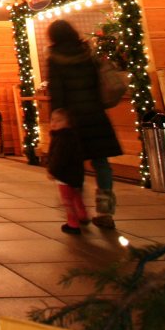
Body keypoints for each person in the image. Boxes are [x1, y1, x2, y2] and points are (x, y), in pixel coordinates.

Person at [46, 19, 123, 229]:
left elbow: (57, 91)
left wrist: (56, 118)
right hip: (95, 114)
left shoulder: (55, 58)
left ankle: (79, 211)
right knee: (102, 163)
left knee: (72, 165)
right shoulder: (88, 53)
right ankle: (105, 210)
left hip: (72, 119)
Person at [47, 108, 88, 235]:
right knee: (76, 196)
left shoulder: (62, 138)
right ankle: (82, 215)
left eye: (59, 121)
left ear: (68, 123)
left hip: (64, 175)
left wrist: (52, 171)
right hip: (76, 173)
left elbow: (59, 157)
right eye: (53, 120)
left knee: (67, 200)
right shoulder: (71, 135)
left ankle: (73, 224)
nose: (54, 123)